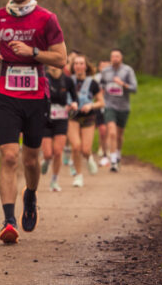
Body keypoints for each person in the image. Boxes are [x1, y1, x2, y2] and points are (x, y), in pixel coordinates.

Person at [0, 0, 67, 244]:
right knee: (9, 156)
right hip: (6, 93)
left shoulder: (47, 18)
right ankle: (9, 221)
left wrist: (33, 51)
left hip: (36, 95)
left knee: (31, 160)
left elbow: (60, 58)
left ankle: (30, 195)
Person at [67, 54, 104, 187]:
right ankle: (78, 176)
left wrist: (91, 105)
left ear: (86, 66)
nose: (78, 66)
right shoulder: (68, 81)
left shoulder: (93, 83)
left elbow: (101, 102)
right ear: (73, 66)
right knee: (76, 146)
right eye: (76, 63)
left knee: (85, 149)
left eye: (81, 63)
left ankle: (89, 158)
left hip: (88, 116)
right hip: (73, 116)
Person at [99, 49, 138, 172]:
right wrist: (101, 97)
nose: (115, 58)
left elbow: (134, 88)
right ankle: (114, 161)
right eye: (112, 56)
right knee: (112, 133)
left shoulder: (128, 70)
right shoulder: (105, 72)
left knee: (120, 135)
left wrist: (123, 84)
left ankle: (118, 153)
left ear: (121, 58)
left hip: (123, 107)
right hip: (109, 106)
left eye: (117, 56)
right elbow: (100, 86)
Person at [40, 65, 76, 191]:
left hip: (61, 118)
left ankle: (54, 181)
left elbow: (74, 97)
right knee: (48, 153)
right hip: (45, 119)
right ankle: (46, 160)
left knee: (58, 152)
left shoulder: (67, 80)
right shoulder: (43, 78)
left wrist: (73, 104)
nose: (53, 66)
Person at [95, 60, 111, 165]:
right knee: (102, 130)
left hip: (111, 106)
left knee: (109, 129)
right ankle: (102, 147)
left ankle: (108, 151)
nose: (104, 68)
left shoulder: (112, 77)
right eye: (102, 66)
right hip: (99, 106)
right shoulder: (95, 78)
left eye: (106, 66)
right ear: (99, 67)